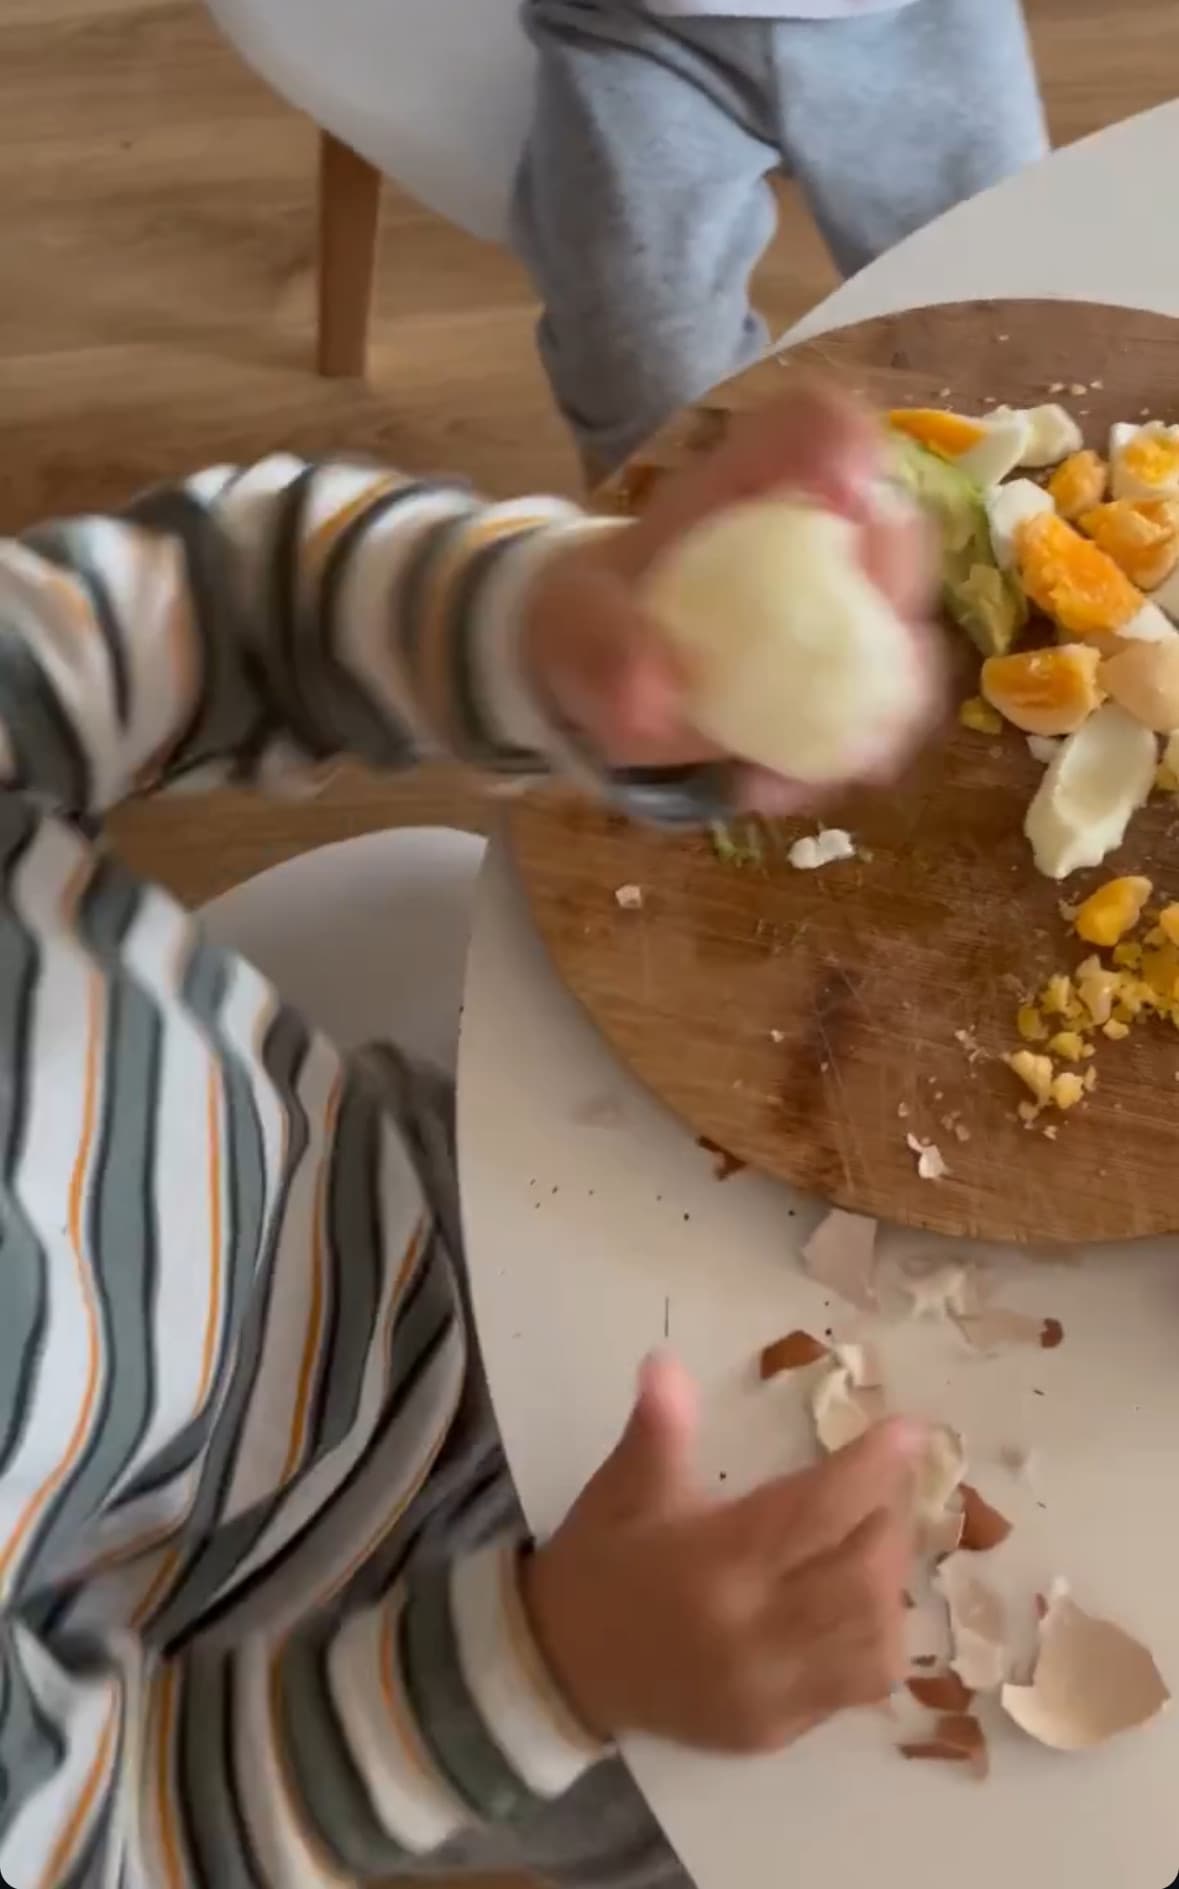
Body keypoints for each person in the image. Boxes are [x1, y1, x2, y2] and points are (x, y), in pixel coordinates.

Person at [0, 386, 936, 1888]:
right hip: (373, 1622)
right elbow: (105, 1828)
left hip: (426, 1200)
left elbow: (236, 612)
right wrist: (551, 1670)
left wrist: (549, 624)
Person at [514, 0, 1048, 474]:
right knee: (643, 371)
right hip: (629, 33)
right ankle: (668, 545)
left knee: (1001, 338)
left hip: (923, 24)